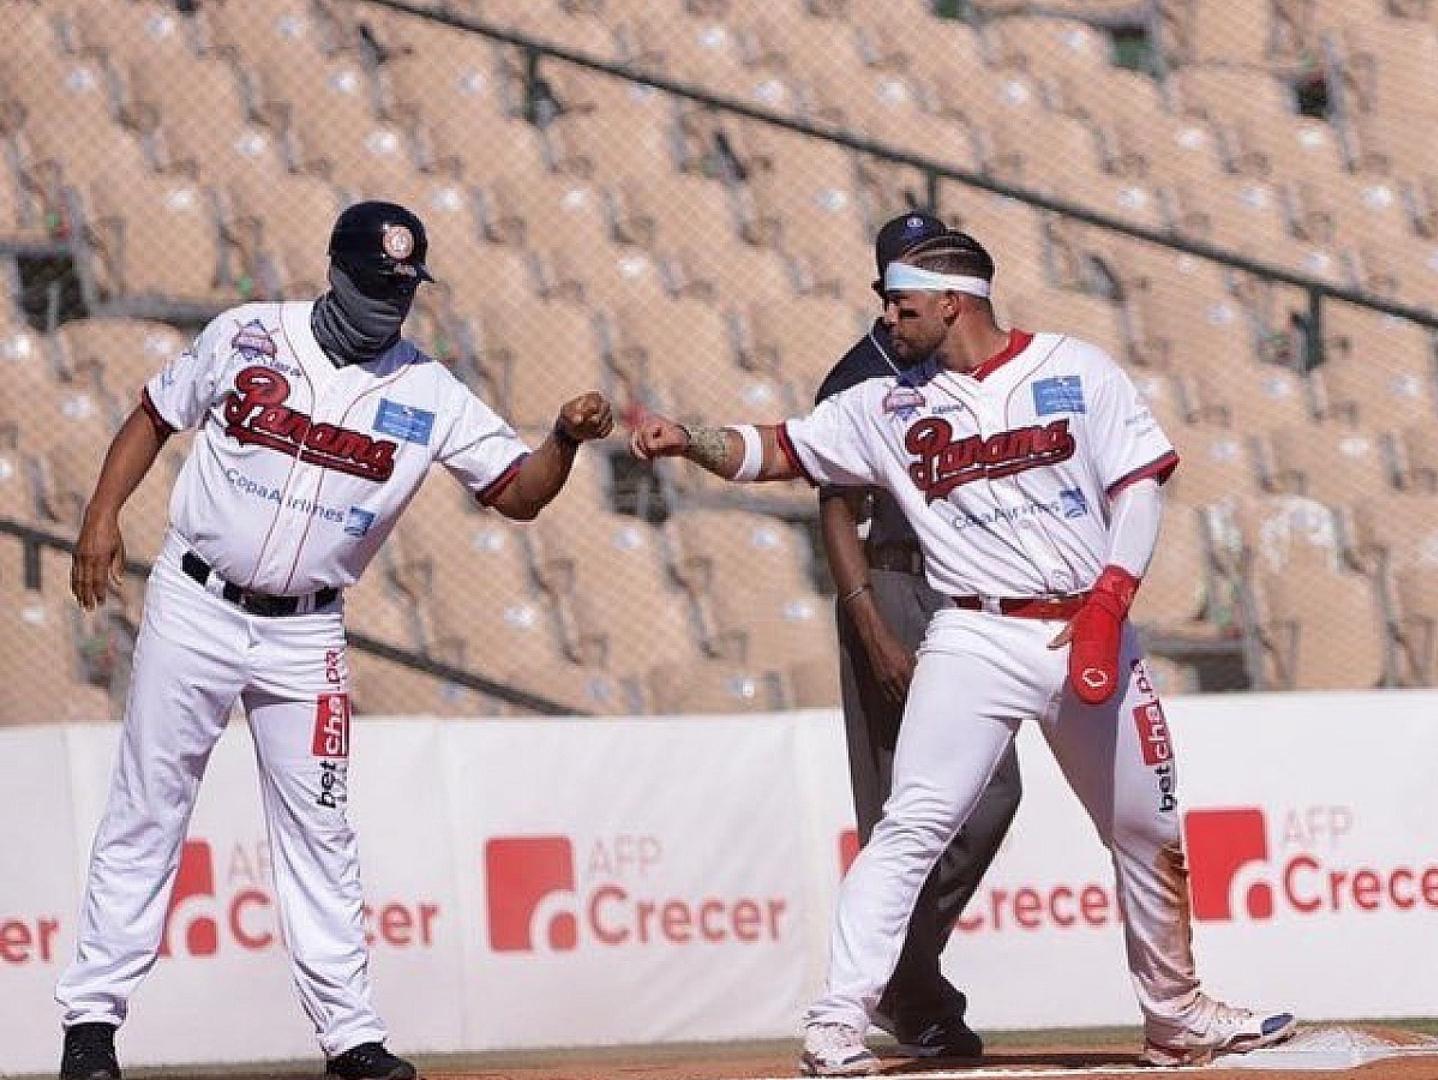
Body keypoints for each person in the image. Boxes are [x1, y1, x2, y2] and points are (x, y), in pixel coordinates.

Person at [631, 230, 1297, 1077]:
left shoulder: (1075, 369)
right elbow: (781, 449)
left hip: (1083, 623)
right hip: (974, 633)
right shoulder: (886, 401)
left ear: (953, 302)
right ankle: (838, 1022)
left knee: (1147, 826)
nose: (888, 319)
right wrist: (686, 437)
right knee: (910, 825)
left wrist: (1110, 599)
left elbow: (1141, 484)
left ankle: (1176, 1016)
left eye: (902, 305)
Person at [55, 201, 615, 1080]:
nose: (391, 301)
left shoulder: (426, 389)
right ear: (336, 271)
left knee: (320, 828)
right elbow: (156, 414)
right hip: (195, 602)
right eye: (376, 283)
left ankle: (350, 1037)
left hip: (307, 628)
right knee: (149, 807)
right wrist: (100, 516)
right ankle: (90, 1025)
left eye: (404, 287)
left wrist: (563, 440)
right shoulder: (249, 334)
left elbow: (516, 493)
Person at [813, 211, 1021, 1059]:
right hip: (895, 582)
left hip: (971, 589)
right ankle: (908, 989)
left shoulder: (960, 368)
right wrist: (872, 623)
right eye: (905, 280)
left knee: (992, 796)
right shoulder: (859, 376)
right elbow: (835, 505)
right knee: (905, 810)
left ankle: (908, 978)